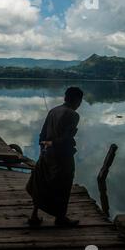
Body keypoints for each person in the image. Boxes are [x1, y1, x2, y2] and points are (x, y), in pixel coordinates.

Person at [26, 87, 83, 227]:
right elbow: (64, 139)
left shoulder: (53, 111)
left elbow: (42, 134)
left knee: (41, 183)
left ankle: (34, 216)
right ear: (78, 100)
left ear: (65, 98)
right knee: (63, 185)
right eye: (79, 101)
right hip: (62, 156)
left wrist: (43, 148)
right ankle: (60, 218)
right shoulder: (73, 115)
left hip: (47, 154)